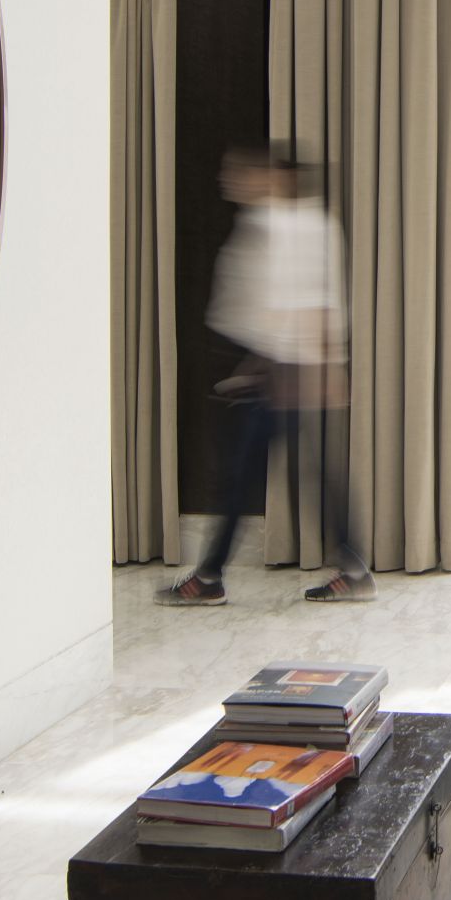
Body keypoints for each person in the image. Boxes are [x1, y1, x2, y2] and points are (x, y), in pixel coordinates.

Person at [158, 145, 375, 605]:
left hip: (289, 373)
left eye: (241, 172)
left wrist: (321, 369)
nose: (229, 180)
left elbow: (315, 300)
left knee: (249, 478)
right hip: (271, 369)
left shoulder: (300, 227)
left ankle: (211, 577)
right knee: (277, 475)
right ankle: (350, 568)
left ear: (275, 178)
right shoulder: (262, 224)